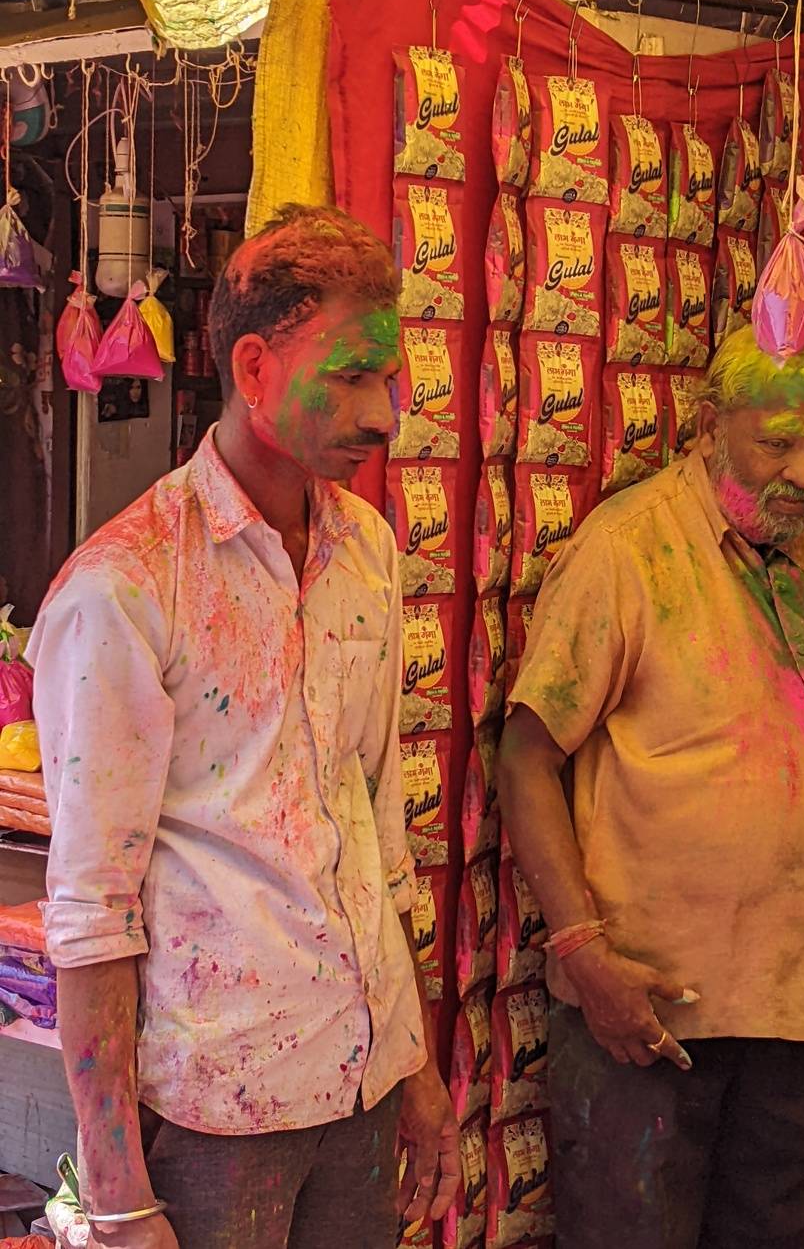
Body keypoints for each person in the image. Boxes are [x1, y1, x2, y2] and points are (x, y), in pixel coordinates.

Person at [27, 205, 457, 1249]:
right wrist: (118, 1197)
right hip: (214, 1109)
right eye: (348, 378)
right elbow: (91, 912)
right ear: (255, 369)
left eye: (388, 378)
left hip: (359, 1079)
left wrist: (414, 1067)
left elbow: (374, 834)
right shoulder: (126, 586)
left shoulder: (366, 550)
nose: (383, 416)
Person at [497, 325, 804, 1249]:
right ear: (709, 428)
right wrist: (584, 954)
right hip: (650, 1012)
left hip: (798, 1005)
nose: (801, 473)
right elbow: (527, 757)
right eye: (776, 443)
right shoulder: (629, 550)